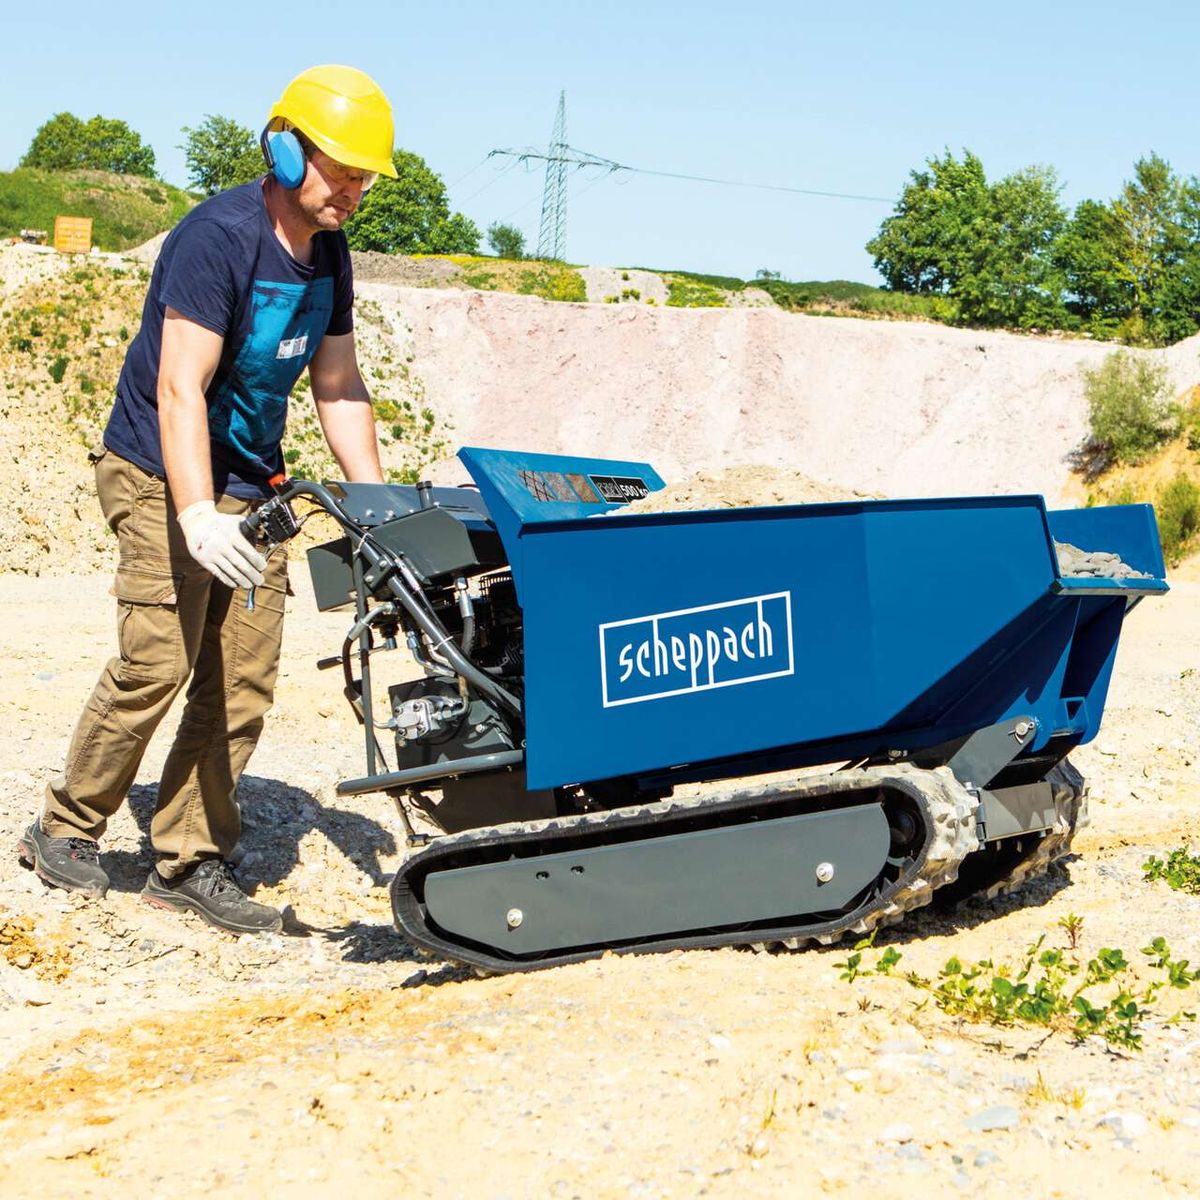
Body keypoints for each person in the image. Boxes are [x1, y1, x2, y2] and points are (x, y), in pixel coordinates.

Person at [18, 64, 398, 934]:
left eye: (364, 177)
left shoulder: (331, 254)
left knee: (242, 681)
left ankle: (187, 859)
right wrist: (195, 514)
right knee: (159, 661)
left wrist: (378, 511)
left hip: (251, 484)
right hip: (159, 471)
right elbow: (179, 389)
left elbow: (338, 385)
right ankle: (64, 828)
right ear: (285, 151)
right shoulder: (216, 239)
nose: (353, 191)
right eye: (341, 171)